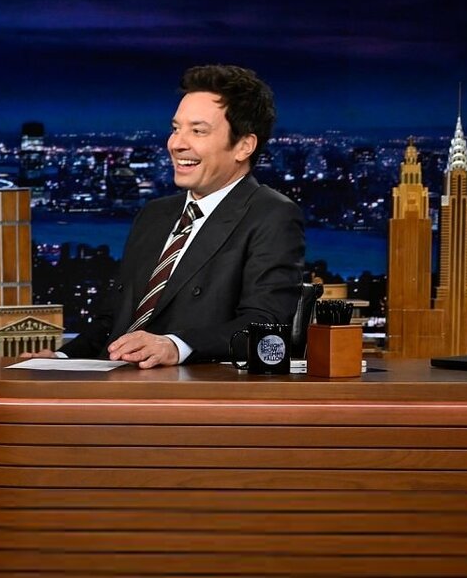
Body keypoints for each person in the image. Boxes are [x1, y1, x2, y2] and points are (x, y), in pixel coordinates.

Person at [38, 64, 306, 367]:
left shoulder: (272, 215)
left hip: (187, 389)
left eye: (198, 131)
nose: (176, 144)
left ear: (244, 146)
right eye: (176, 129)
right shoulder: (154, 214)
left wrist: (176, 346)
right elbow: (113, 320)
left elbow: (265, 326)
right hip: (114, 381)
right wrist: (59, 358)